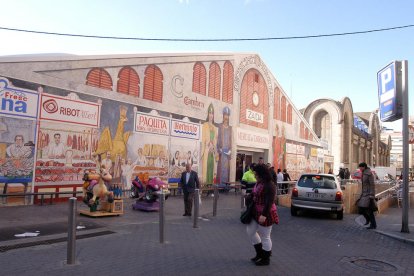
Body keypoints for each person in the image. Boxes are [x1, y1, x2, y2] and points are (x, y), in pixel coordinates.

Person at [246, 163, 279, 266]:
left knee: (265, 236)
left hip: (266, 213)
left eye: (256, 174)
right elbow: (255, 193)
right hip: (255, 212)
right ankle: (260, 253)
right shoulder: (259, 183)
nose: (255, 176)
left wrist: (263, 215)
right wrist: (250, 196)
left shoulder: (270, 185)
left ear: (262, 174)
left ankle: (266, 258)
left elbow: (269, 202)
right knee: (250, 231)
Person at [356, 162, 377, 229]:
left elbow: (372, 185)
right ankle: (368, 220)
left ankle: (373, 225)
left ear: (364, 167)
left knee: (369, 210)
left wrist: (372, 195)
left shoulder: (369, 174)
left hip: (368, 194)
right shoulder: (364, 173)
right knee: (361, 208)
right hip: (364, 194)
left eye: (360, 167)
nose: (359, 169)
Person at [201, 103, 218, 184]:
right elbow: (203, 139)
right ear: (208, 114)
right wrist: (208, 145)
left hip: (212, 153)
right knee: (206, 167)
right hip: (207, 151)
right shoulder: (205, 125)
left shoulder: (215, 128)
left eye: (212, 113)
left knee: (212, 168)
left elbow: (215, 141)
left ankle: (211, 186)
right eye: (210, 113)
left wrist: (214, 148)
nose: (211, 115)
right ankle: (205, 185)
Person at [217, 106, 232, 184]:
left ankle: (225, 186)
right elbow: (218, 138)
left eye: (227, 115)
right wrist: (219, 149)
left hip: (227, 152)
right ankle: (220, 185)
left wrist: (230, 150)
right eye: (225, 115)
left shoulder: (230, 128)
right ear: (223, 116)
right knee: (221, 169)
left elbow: (230, 140)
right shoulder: (220, 126)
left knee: (226, 170)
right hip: (222, 151)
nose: (226, 117)